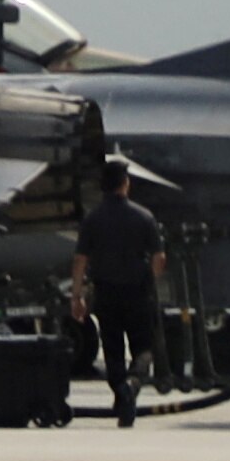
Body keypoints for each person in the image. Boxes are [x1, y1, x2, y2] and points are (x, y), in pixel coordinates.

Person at [76, 161, 163, 426]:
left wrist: (76, 295)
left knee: (112, 349)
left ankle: (122, 399)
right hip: (137, 292)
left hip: (106, 291)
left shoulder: (93, 219)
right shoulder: (144, 217)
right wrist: (150, 281)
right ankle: (132, 384)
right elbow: (159, 257)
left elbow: (80, 259)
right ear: (126, 184)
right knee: (144, 349)